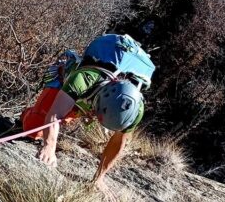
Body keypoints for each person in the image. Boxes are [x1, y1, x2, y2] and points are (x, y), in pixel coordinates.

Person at [20, 33, 152, 190]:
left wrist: (99, 178)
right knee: (33, 129)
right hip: (65, 82)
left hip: (86, 100)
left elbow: (118, 141)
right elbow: (56, 114)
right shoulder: (85, 78)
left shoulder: (134, 111)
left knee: (56, 122)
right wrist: (49, 147)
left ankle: (67, 113)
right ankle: (28, 114)